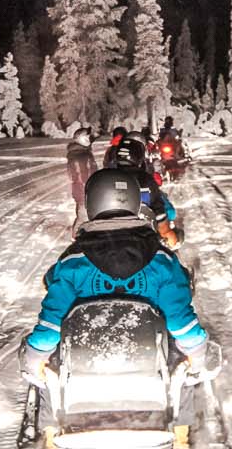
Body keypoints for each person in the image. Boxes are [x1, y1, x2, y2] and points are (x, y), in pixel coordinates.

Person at [23, 165, 212, 387]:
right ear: (134, 201)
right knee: (181, 373)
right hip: (150, 368)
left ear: (91, 203)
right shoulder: (162, 260)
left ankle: (47, 420)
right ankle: (181, 419)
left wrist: (35, 356)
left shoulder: (72, 263)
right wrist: (197, 354)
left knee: (50, 378)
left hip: (84, 369)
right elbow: (181, 321)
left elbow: (51, 323)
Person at [64, 127, 96, 222]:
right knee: (84, 218)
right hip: (84, 193)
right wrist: (88, 192)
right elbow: (81, 177)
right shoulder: (79, 155)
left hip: (87, 192)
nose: (89, 138)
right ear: (82, 139)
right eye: (87, 136)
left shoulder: (83, 152)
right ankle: (77, 236)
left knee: (85, 218)